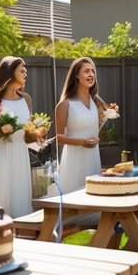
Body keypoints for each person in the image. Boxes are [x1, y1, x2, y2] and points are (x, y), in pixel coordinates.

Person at [0, 56, 41, 217]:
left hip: (19, 154)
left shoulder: (26, 99)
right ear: (10, 73)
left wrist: (37, 134)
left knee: (19, 199)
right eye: (22, 70)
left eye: (26, 71)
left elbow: (27, 133)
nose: (26, 74)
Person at [54, 56, 107, 193]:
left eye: (93, 71)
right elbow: (57, 138)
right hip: (74, 159)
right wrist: (81, 142)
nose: (91, 74)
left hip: (93, 155)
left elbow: (95, 127)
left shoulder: (97, 102)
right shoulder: (65, 104)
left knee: (95, 196)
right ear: (76, 75)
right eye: (86, 71)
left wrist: (97, 138)